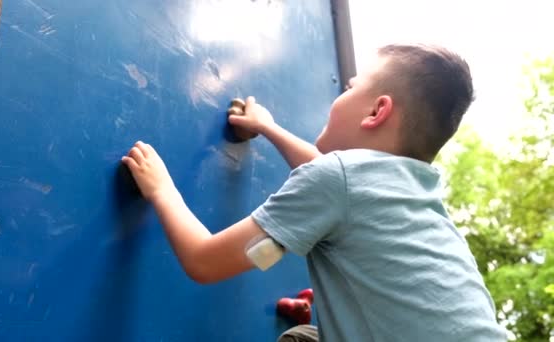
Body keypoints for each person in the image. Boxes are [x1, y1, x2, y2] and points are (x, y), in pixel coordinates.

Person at [121, 44, 507, 341]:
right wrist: (268, 128)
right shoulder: (413, 189)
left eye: (351, 88)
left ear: (376, 112)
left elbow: (204, 262)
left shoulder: (339, 179)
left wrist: (161, 189)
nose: (339, 94)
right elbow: (330, 175)